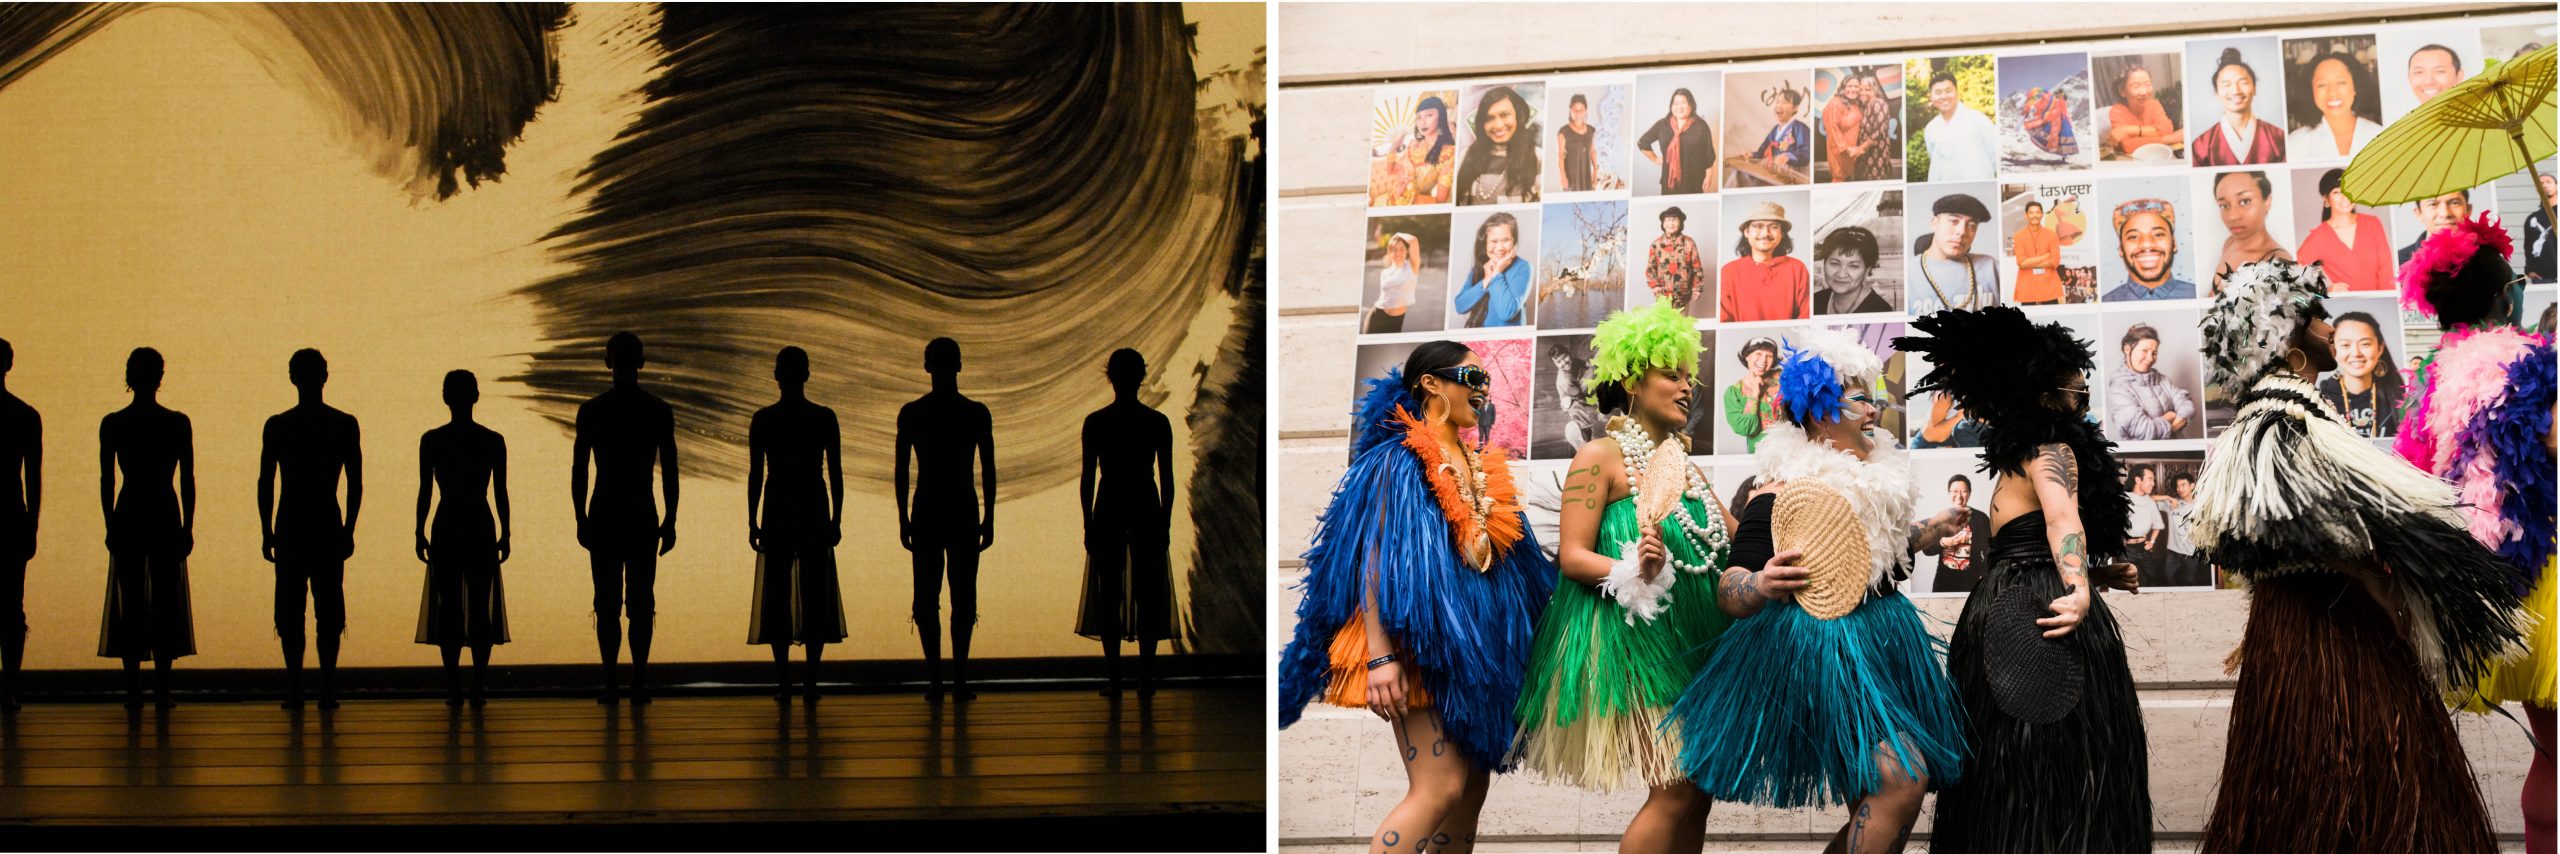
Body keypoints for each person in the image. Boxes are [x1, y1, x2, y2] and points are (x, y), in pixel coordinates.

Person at [2193, 257, 2526, 852]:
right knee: (2352, 789)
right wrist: (2387, 595)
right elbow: (2321, 541)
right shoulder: (2281, 423)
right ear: (2288, 342)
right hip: (2335, 639)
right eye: (2316, 318)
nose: (2329, 328)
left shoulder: (2285, 418)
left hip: (2312, 636)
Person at [1668, 327, 1970, 854]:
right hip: (1821, 652)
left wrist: (1928, 532)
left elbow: (1877, 559)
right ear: (1819, 411)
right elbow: (1729, 588)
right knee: (1900, 778)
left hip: (1883, 645)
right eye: (1860, 399)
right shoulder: (1779, 493)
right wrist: (1760, 583)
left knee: (1876, 796)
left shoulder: (1876, 485)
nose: (1875, 410)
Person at [1277, 343, 1556, 854]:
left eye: (1486, 378)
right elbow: (1373, 560)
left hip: (1475, 654)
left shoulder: (1478, 465)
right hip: (1417, 648)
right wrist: (1381, 656)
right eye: (1471, 375)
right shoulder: (1396, 461)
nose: (1483, 388)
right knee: (1439, 786)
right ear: (1430, 383)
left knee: (1471, 789)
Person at [1898, 305, 2154, 852]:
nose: (2084, 404)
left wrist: (2099, 573)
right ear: (2045, 398)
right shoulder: (2051, 449)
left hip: (2006, 603)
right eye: (2078, 395)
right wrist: (2081, 588)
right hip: (2032, 616)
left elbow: (2026, 540)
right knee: (2054, 765)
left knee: (2008, 769)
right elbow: (2061, 520)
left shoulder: (2020, 455)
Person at [1511, 304, 1734, 852]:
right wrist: (1635, 569)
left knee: (1698, 789)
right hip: (1635, 641)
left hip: (1696, 641)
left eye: (1689, 377)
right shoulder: (1599, 455)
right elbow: (1572, 556)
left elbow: (1733, 542)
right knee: (1677, 787)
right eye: (1672, 375)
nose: (1687, 388)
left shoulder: (1686, 465)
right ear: (1634, 381)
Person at [2392, 216, 2558, 853]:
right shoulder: (2537, 366)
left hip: (2496, 579)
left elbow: (2415, 474)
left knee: (2550, 749)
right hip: (2549, 567)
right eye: (2516, 282)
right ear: (2502, 298)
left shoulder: (2428, 381)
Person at [572, 331, 680, 704]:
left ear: (607, 362)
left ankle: (614, 684)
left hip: (605, 510)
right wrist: (671, 517)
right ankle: (635, 684)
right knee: (639, 602)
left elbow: (580, 470)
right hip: (639, 510)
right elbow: (669, 469)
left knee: (608, 603)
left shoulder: (593, 410)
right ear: (641, 362)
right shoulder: (656, 409)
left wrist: (580, 517)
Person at [258, 348, 361, 711]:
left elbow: (265, 482)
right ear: (324, 376)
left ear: (293, 378)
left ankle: (298, 688)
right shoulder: (342, 423)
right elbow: (355, 482)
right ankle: (324, 688)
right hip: (324, 521)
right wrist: (349, 527)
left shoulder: (279, 425)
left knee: (292, 610)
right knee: (326, 609)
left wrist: (266, 529)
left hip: (292, 523)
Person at [896, 336, 995, 701]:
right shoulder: (974, 412)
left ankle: (941, 680)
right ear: (959, 366)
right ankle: (956, 680)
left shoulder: (914, 412)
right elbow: (988, 469)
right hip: (960, 507)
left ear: (927, 367)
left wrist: (903, 517)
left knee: (930, 596)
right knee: (959, 595)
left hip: (929, 507)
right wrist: (990, 515)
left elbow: (902, 471)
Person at [749, 347, 847, 702]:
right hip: (811, 505)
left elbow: (756, 474)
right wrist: (836, 517)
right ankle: (809, 683)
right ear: (807, 374)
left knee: (777, 594)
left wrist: (752, 518)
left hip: (778, 505)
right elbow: (834, 472)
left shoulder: (764, 419)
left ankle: (786, 683)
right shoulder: (823, 417)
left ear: (777, 375)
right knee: (814, 594)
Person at [98, 347, 194, 710]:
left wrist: (109, 522)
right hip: (163, 511)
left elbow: (107, 479)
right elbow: (186, 479)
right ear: (159, 377)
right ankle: (162, 689)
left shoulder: (115, 423)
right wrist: (188, 524)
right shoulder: (176, 422)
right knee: (165, 600)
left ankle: (135, 688)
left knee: (133, 600)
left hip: (131, 511)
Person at [1078, 348, 1174, 698]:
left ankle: (1117, 678)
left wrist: (1088, 522)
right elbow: (1168, 480)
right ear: (1141, 377)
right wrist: (1164, 522)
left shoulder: (1098, 422)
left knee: (1110, 594)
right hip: (1144, 504)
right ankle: (1144, 677)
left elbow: (1088, 478)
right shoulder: (1156, 422)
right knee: (1148, 593)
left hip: (1111, 505)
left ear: (1111, 378)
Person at [414, 369, 511, 707]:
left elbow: (426, 490)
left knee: (451, 607)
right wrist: (506, 531)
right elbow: (499, 491)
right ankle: (476, 687)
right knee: (479, 607)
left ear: (446, 398)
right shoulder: (491, 440)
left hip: (449, 521)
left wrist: (419, 529)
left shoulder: (433, 440)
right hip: (478, 522)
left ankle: (456, 686)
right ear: (475, 396)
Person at [0, 339, 34, 711]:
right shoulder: (24, 415)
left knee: (11, 606)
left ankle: (9, 687)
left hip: (12, 515)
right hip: (11, 514)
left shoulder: (24, 415)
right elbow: (33, 478)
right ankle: (9, 687)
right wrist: (32, 525)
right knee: (11, 606)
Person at [2295, 168, 2395, 291]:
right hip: (2348, 302)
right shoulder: (2319, 237)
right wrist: (2325, 290)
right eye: (2337, 192)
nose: (2345, 197)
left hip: (2381, 300)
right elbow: (2288, 274)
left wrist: (2385, 297)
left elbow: (2386, 268)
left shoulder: (2372, 223)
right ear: (2326, 199)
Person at [1909, 193, 2003, 315]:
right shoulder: (1908, 272)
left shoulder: (1992, 267)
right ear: (1934, 223)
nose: (1962, 231)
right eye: (1954, 221)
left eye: (1971, 226)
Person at [2316, 312, 2405, 438]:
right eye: (2345, 345)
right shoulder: (2321, 400)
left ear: (2380, 348)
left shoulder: (2399, 399)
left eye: (2365, 344)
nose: (2356, 353)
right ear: (2333, 348)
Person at [2192, 48, 2286, 166]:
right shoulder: (2201, 146)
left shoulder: (2278, 138)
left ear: (2254, 88)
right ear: (2216, 92)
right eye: (2226, 84)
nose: (2235, 90)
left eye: (2243, 82)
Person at [1718, 201, 1810, 322]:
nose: (1765, 233)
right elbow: (1724, 320)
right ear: (1746, 232)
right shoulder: (1728, 272)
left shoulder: (1798, 269)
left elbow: (1806, 316)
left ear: (1781, 233)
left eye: (1773, 227)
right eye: (1758, 226)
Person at [2208, 171, 2294, 293]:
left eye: (2245, 201)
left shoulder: (2278, 263)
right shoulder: (2229, 243)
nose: (2232, 216)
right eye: (2224, 205)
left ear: (2267, 202)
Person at [2287, 52, 2382, 160]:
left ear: (2355, 86)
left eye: (2341, 83)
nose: (2332, 93)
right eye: (2322, 85)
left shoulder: (2380, 136)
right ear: (2311, 91)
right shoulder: (2295, 143)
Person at [2108, 325, 2196, 440]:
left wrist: (2165, 422)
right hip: (2144, 457)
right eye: (2144, 351)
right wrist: (2172, 423)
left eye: (2154, 353)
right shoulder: (2118, 390)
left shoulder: (2162, 380)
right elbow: (2145, 430)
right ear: (2127, 349)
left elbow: (2187, 405)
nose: (2150, 358)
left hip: (2177, 453)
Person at [1456, 86, 1541, 205]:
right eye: (1489, 118)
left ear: (1518, 116)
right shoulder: (1464, 155)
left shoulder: (1537, 157)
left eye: (1505, 115)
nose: (1498, 125)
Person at [2100, 199, 2196, 301]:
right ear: (2121, 249)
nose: (2146, 244)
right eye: (2133, 237)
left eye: (2158, 234)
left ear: (2174, 244)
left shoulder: (2197, 295)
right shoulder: (2107, 302)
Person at [1916, 474, 1994, 595]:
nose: (1959, 496)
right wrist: (1944, 542)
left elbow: (1990, 550)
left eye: (1964, 491)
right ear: (1948, 493)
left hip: (1972, 582)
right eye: (1954, 491)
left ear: (1970, 493)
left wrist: (1984, 576)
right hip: (1943, 582)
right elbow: (1927, 550)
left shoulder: (1981, 518)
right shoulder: (1941, 517)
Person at [1372, 96, 1455, 207]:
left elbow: (1440, 201)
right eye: (1419, 117)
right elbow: (1391, 170)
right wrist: (1394, 147)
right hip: (1388, 199)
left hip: (1414, 207)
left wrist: (1406, 199)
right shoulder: (1413, 146)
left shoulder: (1447, 154)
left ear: (1441, 117)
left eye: (1429, 115)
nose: (1422, 122)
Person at [1454, 213, 1530, 327]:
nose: (1500, 248)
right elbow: (1460, 306)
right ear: (1485, 243)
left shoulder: (1523, 267)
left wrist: (1497, 273)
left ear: (1514, 241)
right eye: (1494, 241)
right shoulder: (1480, 268)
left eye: (1506, 240)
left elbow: (1507, 313)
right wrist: (1486, 281)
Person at [1920, 71, 1997, 182]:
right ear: (1931, 97)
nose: (1943, 96)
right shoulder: (1931, 128)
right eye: (1938, 92)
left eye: (1948, 91)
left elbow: (1994, 155)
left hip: (1976, 185)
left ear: (1957, 92)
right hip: (1944, 189)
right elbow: (1933, 158)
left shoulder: (1978, 119)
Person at [1637, 87, 1715, 195]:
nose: (1679, 107)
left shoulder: (1701, 126)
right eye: (1676, 103)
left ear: (1691, 105)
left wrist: (1709, 175)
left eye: (1683, 103)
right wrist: (1655, 159)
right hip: (1669, 184)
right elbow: (1643, 142)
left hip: (1694, 182)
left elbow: (1708, 153)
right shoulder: (1662, 125)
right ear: (1671, 106)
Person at [1735, 84, 1809, 188]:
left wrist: (1788, 156)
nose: (1779, 105)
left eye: (1785, 102)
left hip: (1788, 176)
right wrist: (1752, 155)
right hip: (1771, 172)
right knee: (1740, 173)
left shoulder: (1801, 128)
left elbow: (1806, 153)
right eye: (1777, 102)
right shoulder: (1775, 130)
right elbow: (1762, 152)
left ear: (1795, 108)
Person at [2105, 64, 2184, 160]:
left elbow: (2166, 129)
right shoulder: (2117, 111)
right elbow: (2128, 145)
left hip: (2158, 156)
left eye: (2148, 84)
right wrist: (2168, 139)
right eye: (2136, 86)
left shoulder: (2154, 104)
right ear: (2122, 91)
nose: (2144, 92)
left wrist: (2130, 130)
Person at [1814, 226, 1892, 315]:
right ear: (1824, 264)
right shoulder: (1814, 301)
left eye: (1853, 266)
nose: (1841, 274)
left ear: (1867, 270)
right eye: (1835, 264)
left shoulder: (1880, 310)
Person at [1724, 337, 1783, 452]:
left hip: (1790, 450)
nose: (1764, 360)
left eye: (1769, 355)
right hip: (1760, 455)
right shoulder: (1734, 393)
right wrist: (1755, 394)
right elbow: (1746, 429)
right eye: (1758, 353)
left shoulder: (1783, 377)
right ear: (1747, 356)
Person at [1644, 207, 1707, 312]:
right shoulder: (1656, 245)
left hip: (1683, 296)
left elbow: (1697, 267)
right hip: (1662, 296)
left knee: (1682, 326)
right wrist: (1654, 286)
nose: (1671, 223)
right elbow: (1650, 269)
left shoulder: (1689, 243)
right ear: (1663, 224)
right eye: (1668, 220)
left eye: (1674, 220)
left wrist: (1697, 288)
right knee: (1664, 326)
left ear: (1680, 223)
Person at [2398, 191, 2475, 266]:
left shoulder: (2485, 255)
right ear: (2419, 213)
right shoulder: (2398, 262)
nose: (2445, 213)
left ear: (2469, 210)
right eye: (2433, 204)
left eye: (2454, 203)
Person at [1850, 70, 1900, 182]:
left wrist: (1860, 149)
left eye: (1867, 90)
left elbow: (1879, 132)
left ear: (1874, 89)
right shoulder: (1865, 106)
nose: (1863, 92)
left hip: (1877, 154)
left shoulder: (1879, 103)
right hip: (1864, 155)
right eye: (1861, 90)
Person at [2011, 199, 2064, 305]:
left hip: (2049, 286)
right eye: (2031, 212)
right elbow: (2022, 263)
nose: (2034, 215)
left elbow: (2054, 262)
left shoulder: (2051, 235)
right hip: (2027, 286)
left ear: (2042, 214)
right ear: (2026, 215)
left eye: (2037, 212)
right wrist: (2045, 256)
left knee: (2052, 320)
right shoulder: (2018, 236)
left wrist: (2029, 262)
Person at [2119, 464, 2165, 584]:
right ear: (2138, 480)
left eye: (2153, 480)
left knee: (2151, 578)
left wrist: (2152, 542)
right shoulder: (2123, 499)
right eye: (2150, 479)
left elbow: (2158, 525)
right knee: (2130, 581)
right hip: (2126, 550)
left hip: (2143, 549)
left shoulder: (2150, 502)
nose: (2153, 484)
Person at [1367, 232, 1421, 334]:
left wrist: (1397, 234)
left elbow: (1413, 240)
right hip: (1376, 315)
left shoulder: (1411, 267)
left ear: (1406, 252)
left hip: (1396, 320)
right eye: (1394, 250)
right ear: (1390, 253)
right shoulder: (1386, 272)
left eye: (1402, 249)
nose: (1398, 253)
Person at [2158, 473, 2206, 587]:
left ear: (2192, 486)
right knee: (2168, 576)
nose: (2180, 489)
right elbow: (2148, 499)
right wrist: (2167, 497)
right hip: (2174, 551)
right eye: (2178, 486)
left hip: (2192, 551)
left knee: (2191, 579)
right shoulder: (2172, 503)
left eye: (2183, 485)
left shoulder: (2201, 505)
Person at [1823, 72, 1870, 183]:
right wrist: (1847, 149)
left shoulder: (1854, 103)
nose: (1853, 89)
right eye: (1849, 86)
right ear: (1843, 87)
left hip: (1852, 152)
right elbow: (1833, 129)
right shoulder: (1835, 103)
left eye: (1856, 86)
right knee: (1838, 178)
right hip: (1839, 151)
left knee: (1847, 179)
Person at [1556, 93, 1598, 192]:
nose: (1578, 113)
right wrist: (1563, 177)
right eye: (1575, 110)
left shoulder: (1592, 130)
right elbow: (1561, 156)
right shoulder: (1563, 132)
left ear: (1586, 111)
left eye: (1581, 109)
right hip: (1571, 178)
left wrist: (1596, 171)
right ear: (1571, 110)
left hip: (1587, 177)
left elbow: (1592, 151)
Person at [2022, 87, 2079, 157]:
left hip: (2060, 118)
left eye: (2060, 94)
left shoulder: (2057, 100)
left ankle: (2064, 155)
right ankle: (2063, 155)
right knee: (2060, 135)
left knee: (2060, 135)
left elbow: (2060, 109)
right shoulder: (2058, 100)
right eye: (2059, 94)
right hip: (2059, 118)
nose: (2059, 95)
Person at [2528, 173, 2555, 284]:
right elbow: (2528, 246)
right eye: (2541, 183)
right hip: (2542, 277)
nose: (2544, 185)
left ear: (2557, 185)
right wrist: (2529, 270)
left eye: (2548, 182)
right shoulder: (2532, 218)